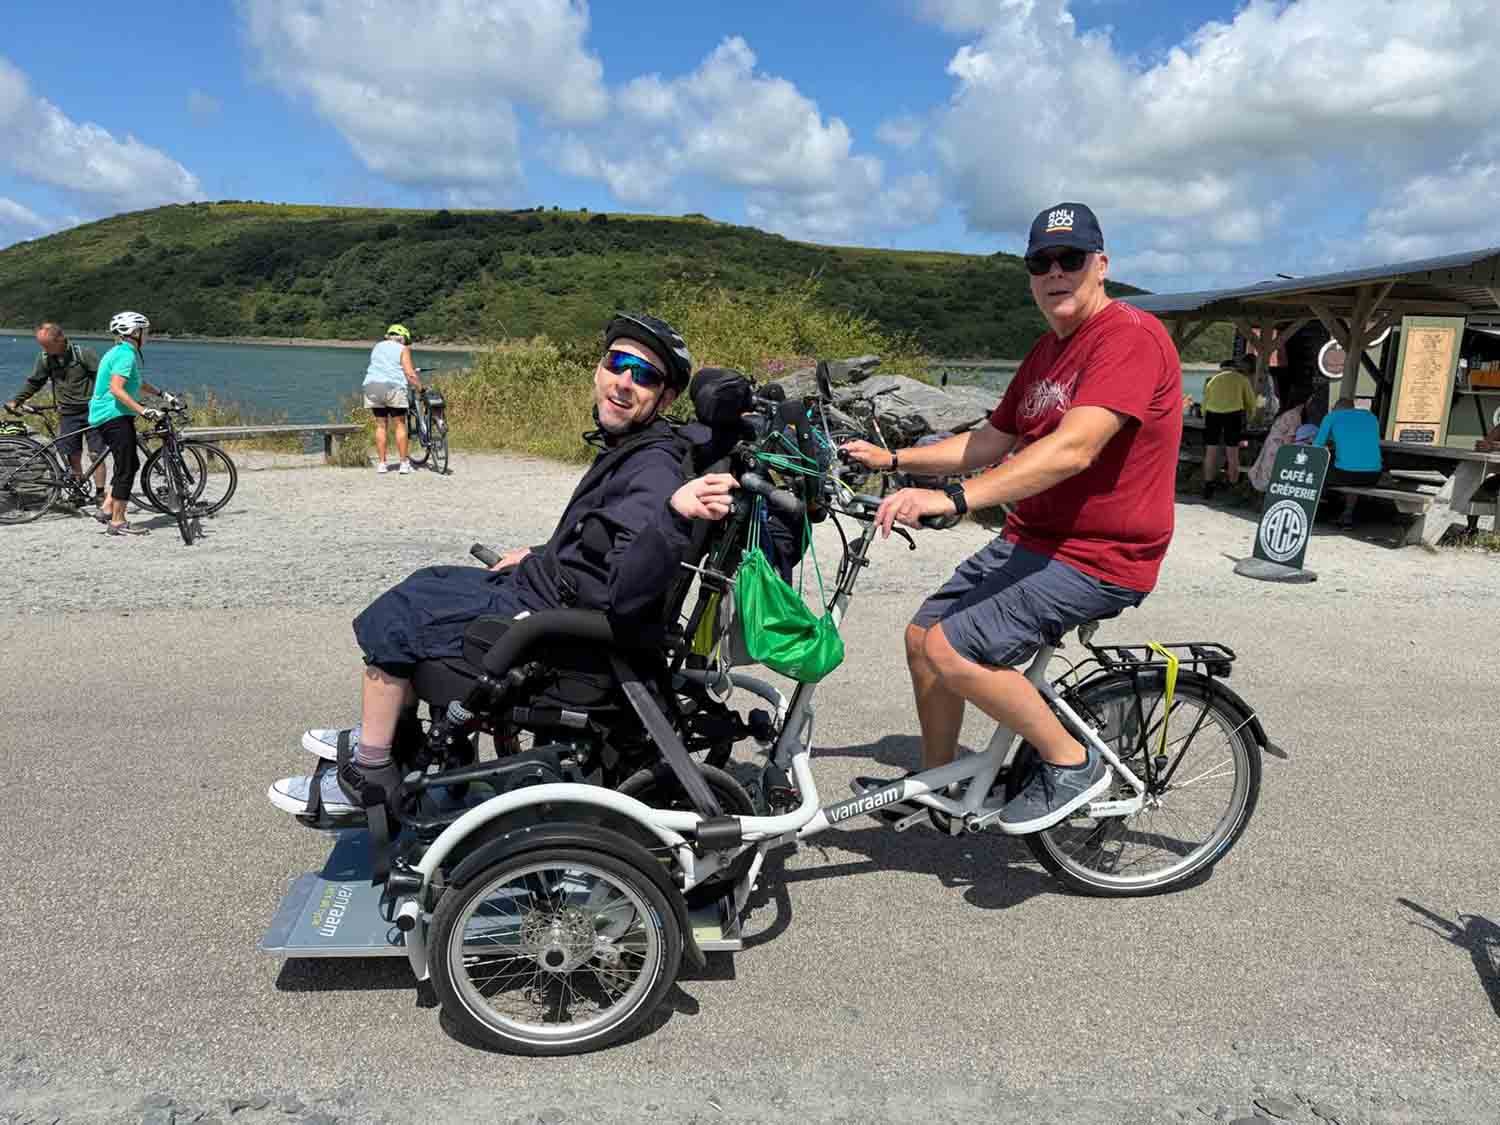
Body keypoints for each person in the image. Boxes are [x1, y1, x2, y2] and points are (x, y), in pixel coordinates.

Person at [269, 313, 739, 820]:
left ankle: (372, 776)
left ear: (665, 398)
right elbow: (599, 539)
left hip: (556, 630)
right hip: (546, 589)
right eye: (617, 363)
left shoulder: (654, 471)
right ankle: (397, 739)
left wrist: (673, 515)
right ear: (599, 370)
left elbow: (628, 589)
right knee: (428, 584)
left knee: (402, 617)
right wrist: (539, 554)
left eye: (644, 375)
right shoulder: (641, 447)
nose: (625, 382)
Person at [842, 202, 1182, 834]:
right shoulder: (1046, 352)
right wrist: (891, 459)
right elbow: (988, 441)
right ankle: (937, 783)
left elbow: (1074, 448)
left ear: (1101, 265)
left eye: (1070, 258)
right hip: (1036, 540)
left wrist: (957, 499)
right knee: (922, 639)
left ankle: (1071, 761)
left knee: (954, 648)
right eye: (1040, 261)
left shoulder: (1129, 338)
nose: (1056, 271)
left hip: (1101, 556)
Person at [4, 322, 107, 515]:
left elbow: (104, 379)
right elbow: (35, 382)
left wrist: (108, 403)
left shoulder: (83, 354)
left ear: (60, 339)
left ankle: (101, 493)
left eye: (47, 345)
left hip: (93, 411)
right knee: (72, 454)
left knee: (96, 453)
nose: (44, 349)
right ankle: (78, 491)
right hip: (67, 412)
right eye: (42, 345)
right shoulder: (45, 358)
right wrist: (16, 401)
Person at [88, 312, 166, 537]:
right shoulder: (125, 355)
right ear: (135, 332)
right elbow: (116, 388)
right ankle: (118, 521)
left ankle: (106, 509)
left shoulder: (121, 352)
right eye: (146, 331)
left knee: (130, 464)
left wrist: (162, 394)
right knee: (125, 468)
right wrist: (143, 410)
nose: (148, 335)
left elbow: (136, 383)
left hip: (113, 415)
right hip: (114, 416)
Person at [362, 323, 423, 475]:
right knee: (400, 425)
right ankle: (403, 464)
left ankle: (382, 464)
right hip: (393, 387)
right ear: (403, 339)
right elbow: (409, 373)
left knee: (381, 426)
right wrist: (420, 387)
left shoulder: (377, 347)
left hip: (372, 386)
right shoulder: (403, 349)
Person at [1313, 397, 1382, 528]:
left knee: (1317, 471)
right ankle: (1347, 514)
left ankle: (1316, 511)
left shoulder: (1332, 416)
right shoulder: (1371, 416)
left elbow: (1317, 447)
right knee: (1352, 466)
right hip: (1373, 476)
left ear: (1335, 408)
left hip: (1346, 475)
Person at [1200, 355, 1257, 498]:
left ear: (1222, 368)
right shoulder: (1241, 379)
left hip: (1212, 415)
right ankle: (1232, 486)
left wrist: (1205, 417)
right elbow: (1251, 403)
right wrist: (1250, 419)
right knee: (1232, 452)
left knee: (1211, 451)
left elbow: (1204, 405)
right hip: (1233, 415)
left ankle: (1208, 485)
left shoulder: (1213, 380)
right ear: (1235, 368)